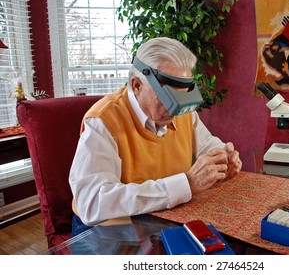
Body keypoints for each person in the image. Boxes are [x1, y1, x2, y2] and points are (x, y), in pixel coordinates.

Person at [69, 37, 242, 236]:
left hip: (164, 218)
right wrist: (185, 184)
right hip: (108, 230)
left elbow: (207, 146)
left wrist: (222, 159)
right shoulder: (103, 121)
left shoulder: (183, 112)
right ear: (136, 85)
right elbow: (92, 203)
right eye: (168, 98)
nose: (176, 110)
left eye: (182, 97)